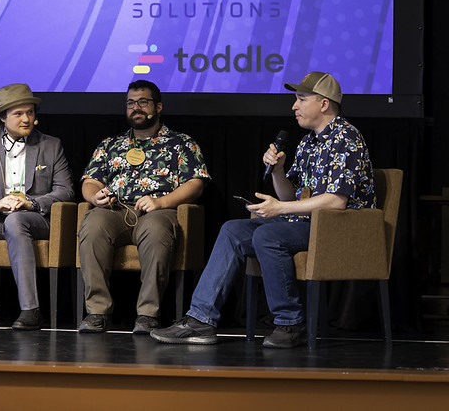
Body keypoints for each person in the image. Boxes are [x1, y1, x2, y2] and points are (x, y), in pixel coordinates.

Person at [151, 71, 376, 349]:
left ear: (324, 104)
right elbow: (290, 194)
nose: (294, 106)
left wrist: (280, 208)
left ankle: (289, 322)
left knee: (268, 236)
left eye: (301, 99)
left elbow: (336, 201)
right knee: (233, 229)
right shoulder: (308, 142)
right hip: (309, 224)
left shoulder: (346, 137)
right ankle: (201, 319)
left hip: (341, 227)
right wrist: (278, 171)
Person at [77, 80, 210, 334]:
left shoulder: (180, 142)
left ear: (158, 106)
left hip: (159, 210)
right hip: (116, 210)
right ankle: (97, 312)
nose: (135, 107)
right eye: (130, 103)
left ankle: (148, 314)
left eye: (143, 102)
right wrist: (96, 197)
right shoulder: (110, 144)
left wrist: (161, 201)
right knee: (92, 223)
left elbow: (196, 183)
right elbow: (90, 181)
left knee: (156, 232)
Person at [0, 84, 74, 330]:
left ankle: (31, 309)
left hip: (34, 219)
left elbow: (65, 190)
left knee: (16, 220)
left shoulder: (51, 145)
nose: (27, 118)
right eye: (18, 114)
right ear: (2, 117)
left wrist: (31, 203)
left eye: (30, 112)